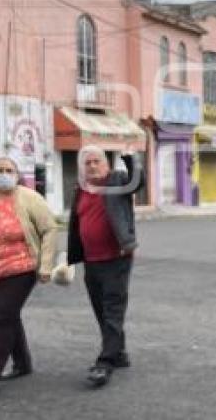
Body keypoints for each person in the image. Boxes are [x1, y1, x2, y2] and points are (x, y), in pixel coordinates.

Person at [0, 155, 58, 396]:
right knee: (7, 317)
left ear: (17, 174)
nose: (4, 173)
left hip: (19, 268)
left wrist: (46, 265)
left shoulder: (30, 198)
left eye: (9, 170)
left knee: (1, 317)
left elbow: (49, 229)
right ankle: (22, 363)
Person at [67, 145, 143, 388]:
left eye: (96, 161)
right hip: (92, 261)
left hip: (116, 258)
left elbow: (138, 182)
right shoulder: (80, 190)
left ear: (106, 164)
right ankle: (118, 353)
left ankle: (105, 362)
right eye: (87, 163)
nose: (92, 166)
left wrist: (130, 158)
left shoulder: (117, 181)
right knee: (102, 311)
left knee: (112, 310)